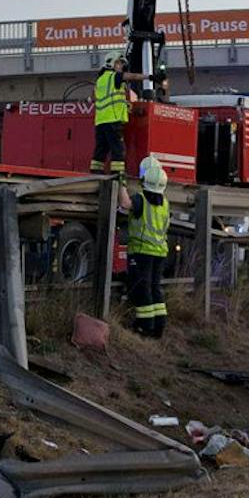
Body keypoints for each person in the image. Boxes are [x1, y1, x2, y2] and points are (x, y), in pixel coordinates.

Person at [119, 155, 170, 338]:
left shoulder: (141, 199)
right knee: (155, 289)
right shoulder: (165, 202)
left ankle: (144, 326)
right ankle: (158, 328)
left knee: (142, 289)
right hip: (159, 252)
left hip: (141, 252)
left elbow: (125, 204)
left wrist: (121, 184)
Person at [91, 55, 148, 177]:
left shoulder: (100, 80)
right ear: (111, 63)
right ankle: (117, 174)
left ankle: (96, 172)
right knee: (118, 148)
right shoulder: (114, 76)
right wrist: (150, 77)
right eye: (119, 63)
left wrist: (126, 105)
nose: (121, 66)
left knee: (101, 149)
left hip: (100, 121)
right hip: (113, 120)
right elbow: (133, 76)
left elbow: (96, 98)